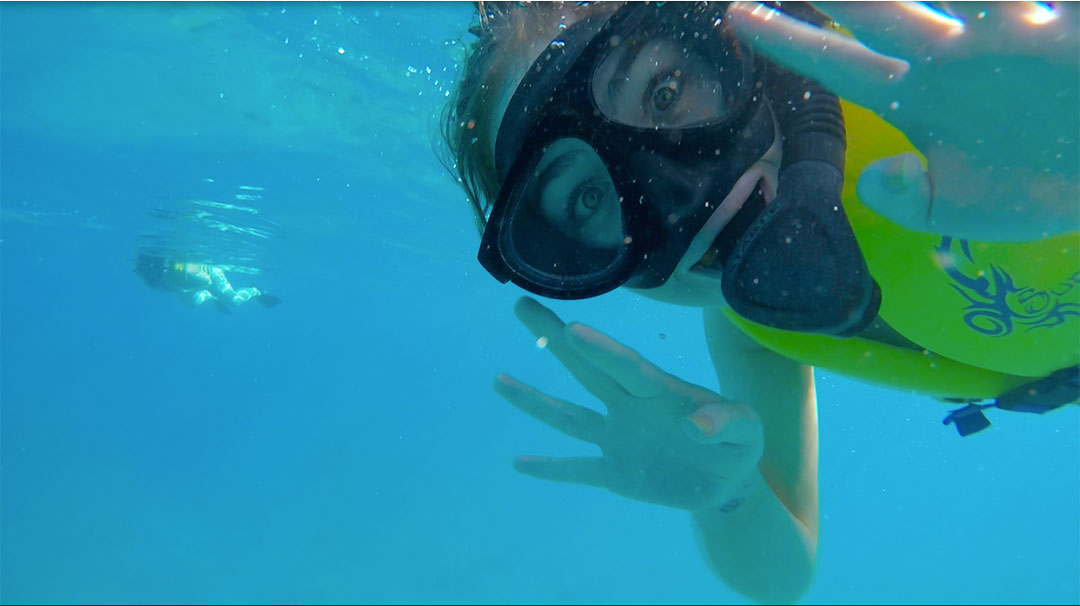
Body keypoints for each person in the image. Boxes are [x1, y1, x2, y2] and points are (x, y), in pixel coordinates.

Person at [438, 2, 1078, 603]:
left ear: (737, 50)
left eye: (665, 93)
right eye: (589, 199)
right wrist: (725, 493)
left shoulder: (940, 90)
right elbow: (783, 578)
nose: (682, 194)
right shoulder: (750, 329)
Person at [133, 252, 281, 313]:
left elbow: (207, 280)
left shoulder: (176, 271)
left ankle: (256, 290)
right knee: (190, 304)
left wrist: (186, 289)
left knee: (234, 301)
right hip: (189, 284)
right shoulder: (150, 279)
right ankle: (210, 296)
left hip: (210, 276)